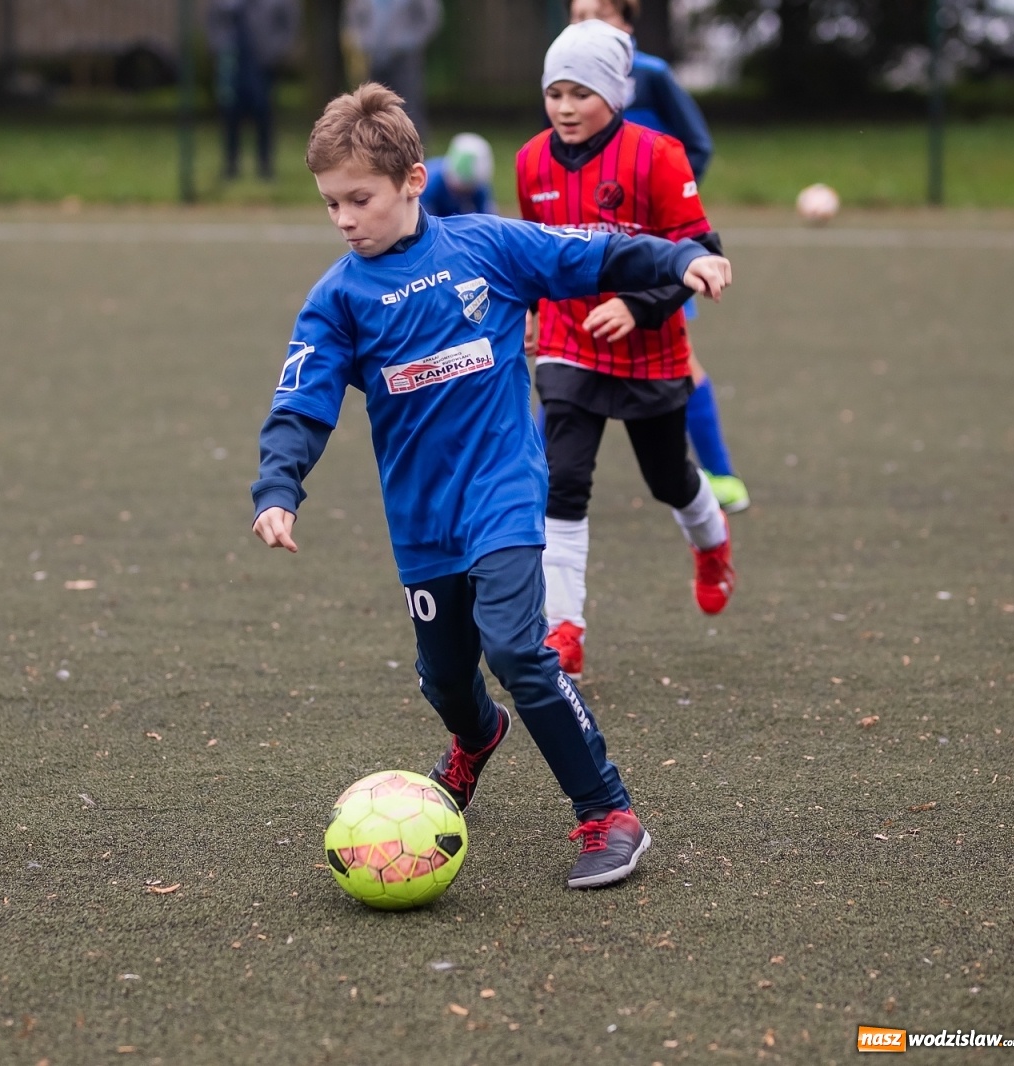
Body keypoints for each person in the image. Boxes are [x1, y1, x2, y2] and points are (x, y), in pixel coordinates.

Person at [250, 83, 733, 888]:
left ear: (413, 180)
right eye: (331, 203)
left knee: (517, 647)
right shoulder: (336, 299)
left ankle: (609, 812)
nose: (342, 218)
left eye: (358, 199)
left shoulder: (487, 248)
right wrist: (278, 487)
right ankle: (477, 739)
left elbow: (596, 249)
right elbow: (303, 400)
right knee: (444, 677)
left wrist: (682, 256)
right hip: (421, 517)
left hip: (504, 490)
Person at [516, 20, 735, 682]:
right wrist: (529, 309)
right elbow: (530, 252)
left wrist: (638, 306)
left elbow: (704, 255)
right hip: (566, 342)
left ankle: (712, 543)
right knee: (565, 478)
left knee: (668, 476)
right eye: (554, 93)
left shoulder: (658, 156)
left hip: (651, 351)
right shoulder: (531, 160)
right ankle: (565, 630)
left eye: (579, 93)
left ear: (613, 93)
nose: (564, 107)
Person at [566, 0, 748, 514]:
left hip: (658, 255)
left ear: (627, 22)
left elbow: (697, 145)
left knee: (678, 360)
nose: (585, 27)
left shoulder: (651, 74)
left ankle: (720, 473)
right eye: (577, 16)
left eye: (598, 15)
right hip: (593, 247)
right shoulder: (564, 83)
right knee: (572, 354)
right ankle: (540, 477)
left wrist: (664, 201)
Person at [206, 0, 300, 180]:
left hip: (262, 65)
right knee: (230, 114)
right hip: (233, 64)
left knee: (263, 113)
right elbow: (213, 21)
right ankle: (230, 166)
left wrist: (277, 50)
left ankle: (265, 166)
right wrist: (220, 46)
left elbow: (289, 22)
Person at [344, 0, 443, 141]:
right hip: (374, 58)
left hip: (405, 59)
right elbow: (352, 19)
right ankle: (377, 151)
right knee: (373, 109)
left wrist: (411, 41)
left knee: (409, 109)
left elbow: (431, 18)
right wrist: (363, 41)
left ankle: (415, 153)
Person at [420, 131, 495, 217]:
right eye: (461, 189)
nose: (465, 193)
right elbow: (425, 222)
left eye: (469, 189)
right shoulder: (430, 182)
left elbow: (487, 217)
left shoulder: (480, 187)